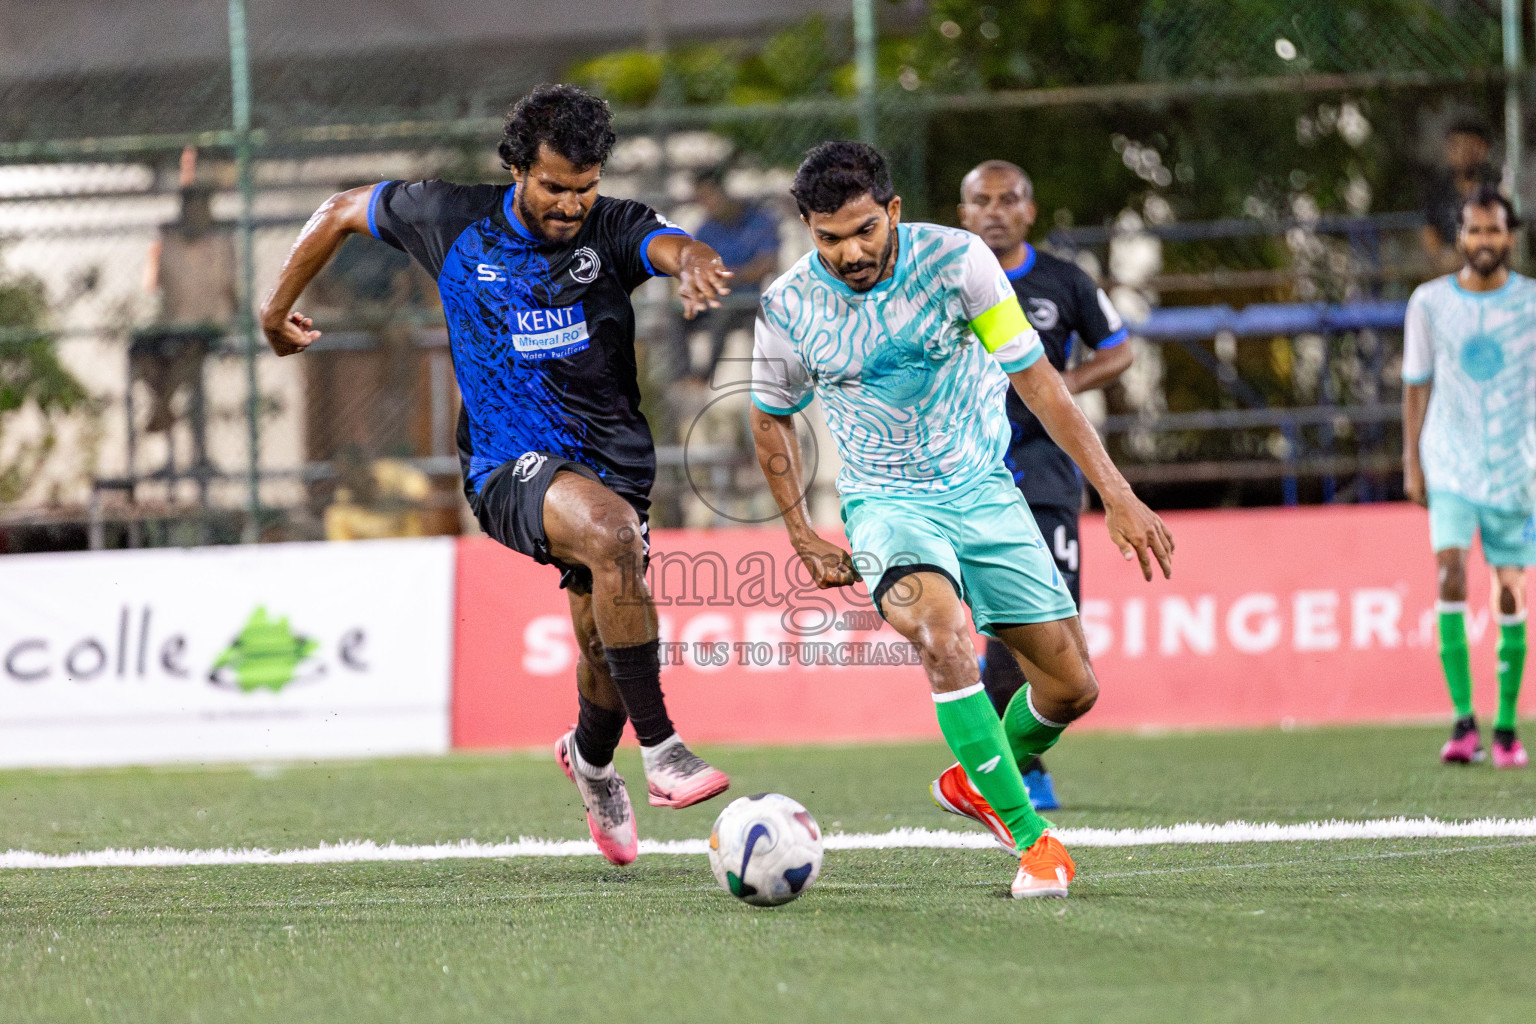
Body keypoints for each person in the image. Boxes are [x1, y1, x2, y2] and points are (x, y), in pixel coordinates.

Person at [258, 84, 737, 865]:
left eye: (584, 188)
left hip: (611, 460)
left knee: (602, 643)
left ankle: (589, 757)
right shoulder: (451, 218)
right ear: (517, 167)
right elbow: (343, 207)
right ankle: (666, 751)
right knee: (615, 539)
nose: (570, 204)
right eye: (553, 186)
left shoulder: (612, 226)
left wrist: (699, 260)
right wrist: (275, 311)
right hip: (505, 464)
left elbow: (671, 245)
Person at [749, 141, 1174, 898]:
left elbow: (1038, 382)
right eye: (828, 238)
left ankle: (975, 778)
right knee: (944, 638)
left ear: (894, 212)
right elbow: (769, 418)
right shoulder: (787, 304)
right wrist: (802, 533)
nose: (849, 252)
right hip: (887, 506)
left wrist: (1117, 493)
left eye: (864, 231)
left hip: (986, 491)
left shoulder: (959, 261)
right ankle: (1034, 841)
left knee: (1072, 689)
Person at [956, 160, 1134, 811]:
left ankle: (1013, 757)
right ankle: (1010, 770)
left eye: (1009, 199)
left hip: (1046, 475)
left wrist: (1062, 388)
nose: (996, 210)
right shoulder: (949, 280)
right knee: (995, 629)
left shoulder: (1064, 280)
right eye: (983, 200)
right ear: (964, 212)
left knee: (1053, 627)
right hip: (965, 475)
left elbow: (1118, 349)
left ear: (1029, 210)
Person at [1403, 184, 1534, 769]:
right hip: (1450, 461)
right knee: (1450, 572)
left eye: (1494, 229)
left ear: (1511, 235)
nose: (1484, 240)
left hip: (1515, 468)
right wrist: (1412, 459)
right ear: (1460, 237)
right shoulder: (1429, 303)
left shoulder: (1531, 304)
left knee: (1510, 591)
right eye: (1474, 230)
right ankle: (1463, 723)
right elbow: (1416, 382)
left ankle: (1506, 727)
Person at [680, 171, 781, 385]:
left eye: (709, 196)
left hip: (750, 301)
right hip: (715, 296)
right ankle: (683, 378)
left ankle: (705, 376)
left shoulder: (758, 221)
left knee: (723, 312)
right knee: (674, 315)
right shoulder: (706, 229)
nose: (707, 204)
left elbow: (766, 264)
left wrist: (729, 276)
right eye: (701, 199)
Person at [1421, 121, 1501, 273]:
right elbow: (1430, 234)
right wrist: (1442, 257)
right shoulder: (1437, 189)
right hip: (1450, 267)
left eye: (1469, 146)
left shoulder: (1498, 185)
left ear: (1484, 149)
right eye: (1455, 146)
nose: (1462, 152)